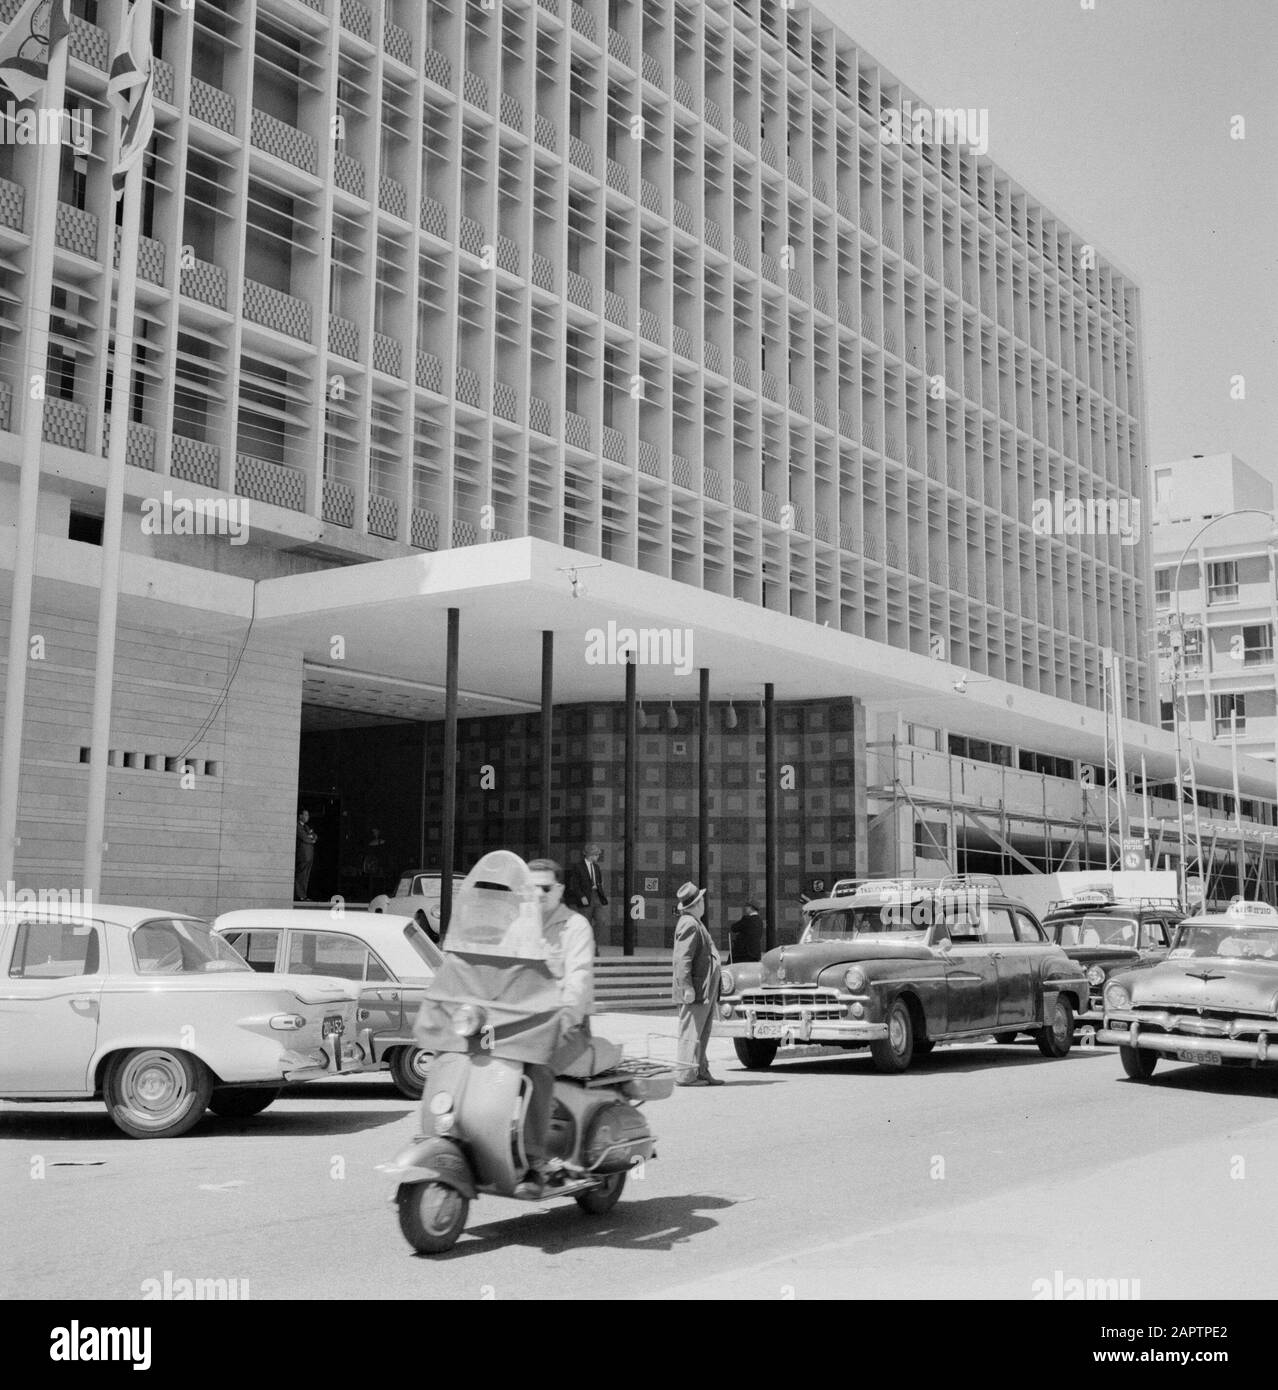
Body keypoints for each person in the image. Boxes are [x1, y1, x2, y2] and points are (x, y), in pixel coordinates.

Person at [518, 857, 597, 1196]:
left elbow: (578, 978)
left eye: (545, 888)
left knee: (536, 1068)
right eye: (530, 888)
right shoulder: (520, 926)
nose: (537, 894)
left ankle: (535, 1163)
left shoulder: (575, 926)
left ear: (560, 890)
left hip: (568, 1027)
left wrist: (566, 1014)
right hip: (522, 1026)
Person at [672, 881, 723, 1086]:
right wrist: (687, 987)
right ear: (696, 903)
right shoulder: (689, 924)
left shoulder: (694, 922)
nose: (704, 903)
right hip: (696, 988)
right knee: (691, 1032)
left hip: (704, 988)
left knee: (702, 1031)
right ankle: (685, 1075)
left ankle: (701, 1071)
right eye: (702, 900)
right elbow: (682, 959)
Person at [565, 843, 608, 936]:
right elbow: (575, 884)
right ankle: (588, 945)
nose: (597, 857)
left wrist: (601, 893)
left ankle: (592, 940)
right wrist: (581, 896)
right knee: (585, 923)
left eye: (597, 855)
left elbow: (599, 881)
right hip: (585, 896)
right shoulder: (578, 867)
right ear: (589, 855)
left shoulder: (596, 867)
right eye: (596, 855)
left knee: (601, 920)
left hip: (596, 896)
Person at [294, 810, 317, 900]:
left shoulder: (306, 826)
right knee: (301, 875)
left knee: (306, 876)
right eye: (305, 815)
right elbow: (305, 838)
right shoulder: (298, 826)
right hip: (303, 855)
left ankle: (303, 895)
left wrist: (312, 837)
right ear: (300, 816)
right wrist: (311, 839)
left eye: (308, 815)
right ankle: (299, 895)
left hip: (309, 855)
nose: (307, 816)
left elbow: (315, 836)